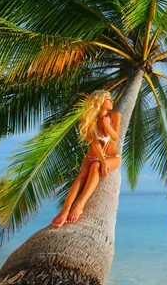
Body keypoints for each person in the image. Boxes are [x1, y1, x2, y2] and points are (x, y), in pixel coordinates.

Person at [51, 90, 122, 228]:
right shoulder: (90, 119)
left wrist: (107, 125)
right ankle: (65, 209)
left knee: (95, 167)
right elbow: (94, 143)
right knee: (82, 174)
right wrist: (102, 160)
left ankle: (79, 205)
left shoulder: (115, 115)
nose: (112, 101)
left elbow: (115, 137)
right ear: (100, 102)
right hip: (94, 155)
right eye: (108, 99)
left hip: (112, 157)